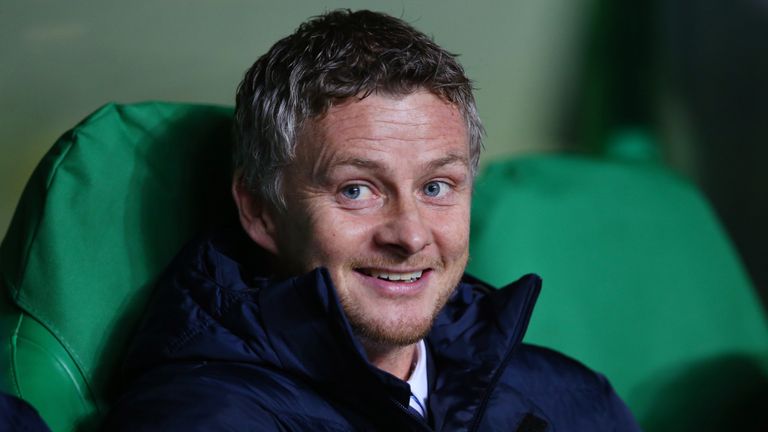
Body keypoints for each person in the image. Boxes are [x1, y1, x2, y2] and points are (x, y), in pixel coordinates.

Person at [104, 9, 641, 431]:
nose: (409, 236)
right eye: (357, 190)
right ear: (261, 211)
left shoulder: (571, 398)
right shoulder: (202, 417)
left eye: (436, 187)